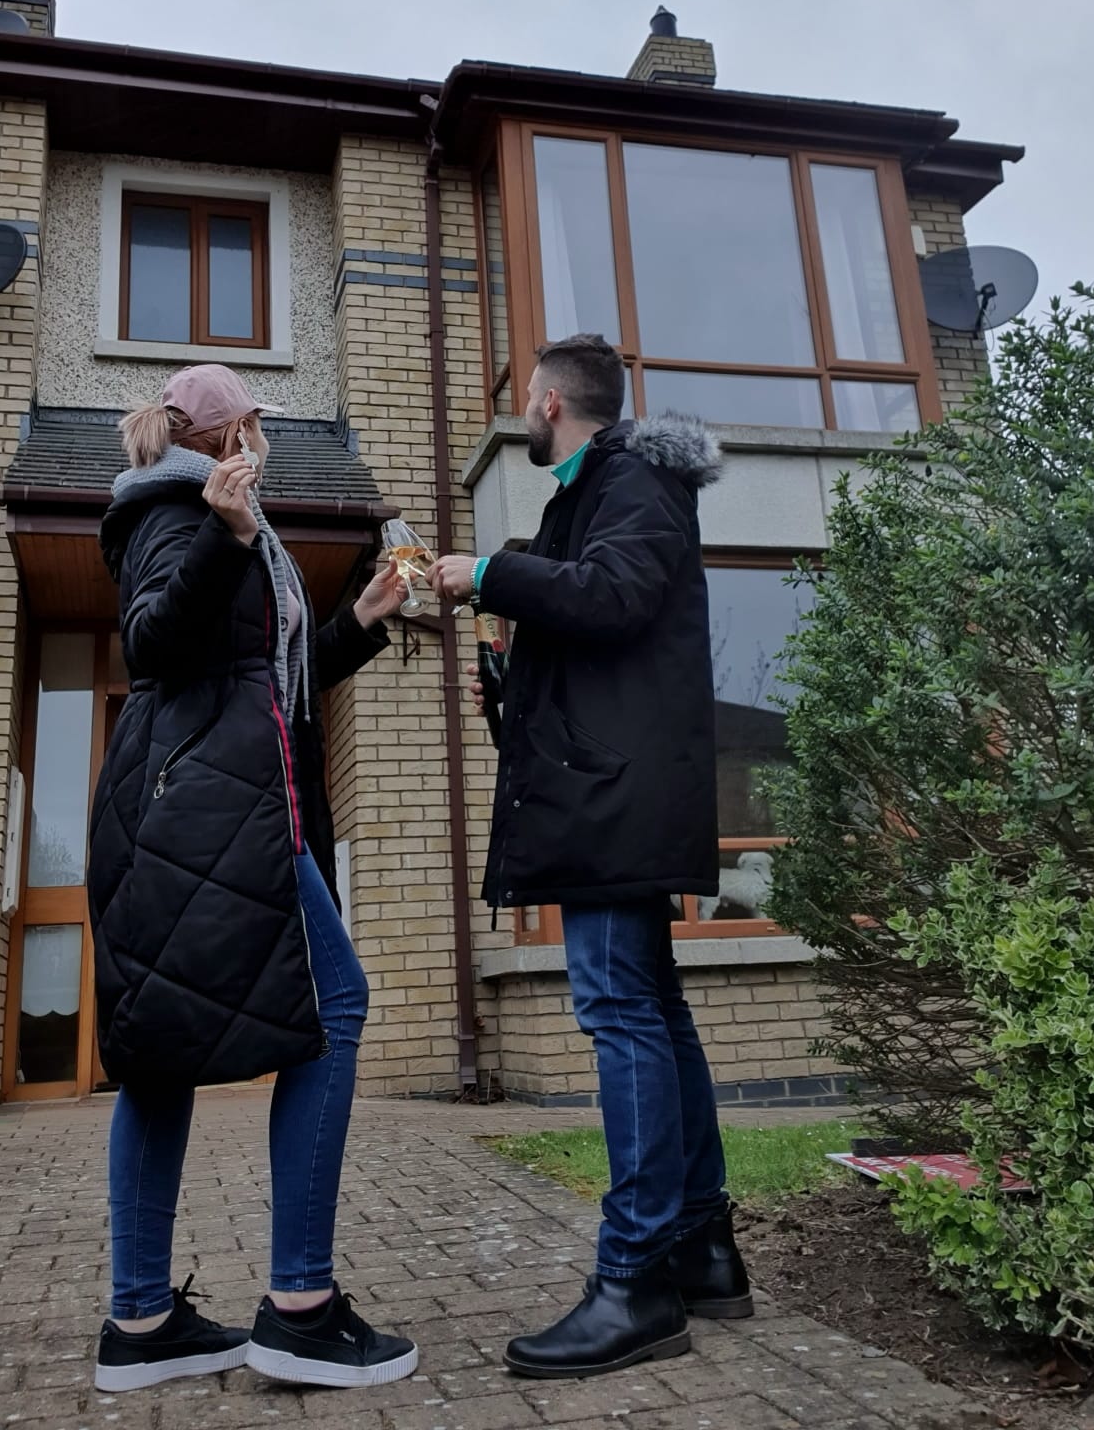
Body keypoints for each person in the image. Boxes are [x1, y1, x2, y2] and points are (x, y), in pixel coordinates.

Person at [87, 363, 417, 1394]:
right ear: (229, 435)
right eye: (256, 426)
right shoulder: (175, 511)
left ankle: (141, 1323)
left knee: (160, 1054)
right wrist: (228, 541)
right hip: (208, 813)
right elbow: (155, 645)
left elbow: (255, 680)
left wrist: (357, 621)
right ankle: (303, 1307)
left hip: (204, 805)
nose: (262, 442)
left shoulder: (219, 516)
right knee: (339, 1006)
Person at [430, 333, 752, 1380]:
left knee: (621, 1012)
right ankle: (702, 1251)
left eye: (523, 396)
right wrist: (503, 648)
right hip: (605, 793)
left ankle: (637, 1278)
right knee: (654, 1010)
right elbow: (588, 638)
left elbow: (612, 598)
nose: (521, 408)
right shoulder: (590, 493)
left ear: (549, 399)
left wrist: (487, 571)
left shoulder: (635, 476)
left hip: (615, 805)